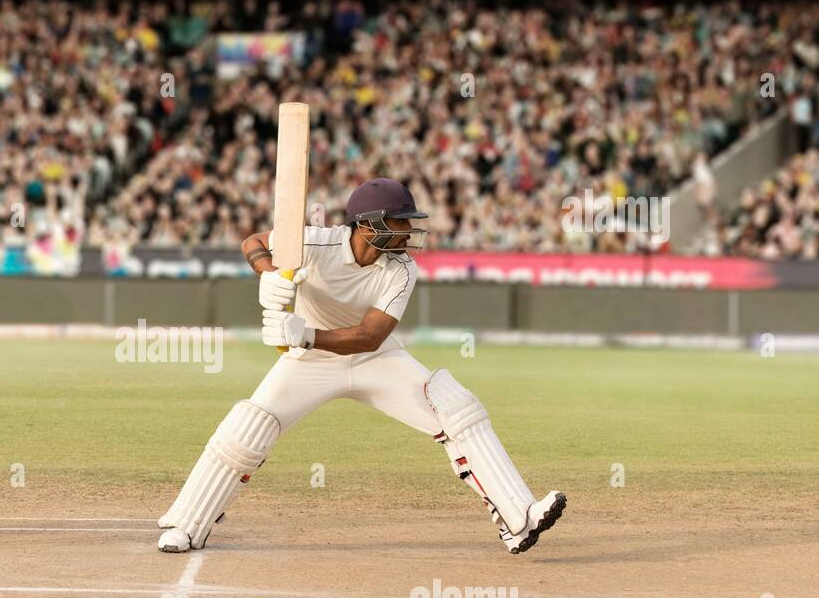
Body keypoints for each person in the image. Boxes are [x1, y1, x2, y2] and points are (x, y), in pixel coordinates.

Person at [158, 178, 566, 556]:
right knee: (250, 426)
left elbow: (370, 335)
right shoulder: (314, 243)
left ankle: (519, 518)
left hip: (375, 358)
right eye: (401, 222)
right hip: (309, 363)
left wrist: (306, 334)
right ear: (369, 225)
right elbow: (254, 241)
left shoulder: (402, 269)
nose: (409, 231)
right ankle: (188, 524)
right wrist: (267, 274)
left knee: (456, 407)